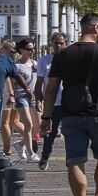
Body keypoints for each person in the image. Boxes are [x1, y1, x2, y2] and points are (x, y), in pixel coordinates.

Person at [39, 15, 98, 196]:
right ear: (95, 28)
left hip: (70, 113)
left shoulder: (64, 54)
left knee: (75, 160)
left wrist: (46, 116)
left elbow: (51, 88)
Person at [36, 31, 69, 167]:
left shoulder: (70, 59)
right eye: (56, 43)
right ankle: (45, 158)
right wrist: (39, 99)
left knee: (69, 133)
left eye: (61, 43)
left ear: (66, 44)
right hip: (53, 103)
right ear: (52, 44)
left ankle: (70, 159)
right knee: (50, 132)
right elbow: (39, 83)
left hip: (67, 102)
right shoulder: (44, 61)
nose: (59, 45)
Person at [6, 37, 42, 160]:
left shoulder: (36, 64)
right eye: (28, 49)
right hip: (21, 96)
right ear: (22, 50)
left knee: (38, 126)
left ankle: (21, 144)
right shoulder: (17, 66)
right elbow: (11, 82)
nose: (31, 51)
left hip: (34, 97)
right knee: (28, 124)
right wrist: (12, 96)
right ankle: (31, 154)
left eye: (33, 49)